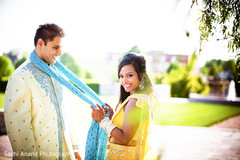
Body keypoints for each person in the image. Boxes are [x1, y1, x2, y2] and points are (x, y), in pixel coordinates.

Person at [4, 23, 81, 160]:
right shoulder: (20, 77)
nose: (59, 53)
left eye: (60, 48)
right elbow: (20, 131)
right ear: (40, 43)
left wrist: (75, 152)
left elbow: (68, 114)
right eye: (55, 47)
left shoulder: (59, 74)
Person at [91, 53, 159, 159]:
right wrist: (113, 116)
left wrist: (102, 120)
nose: (124, 81)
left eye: (130, 75)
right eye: (121, 76)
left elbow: (125, 138)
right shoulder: (143, 98)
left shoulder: (135, 101)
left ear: (141, 75)